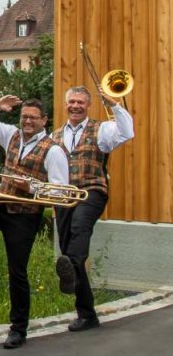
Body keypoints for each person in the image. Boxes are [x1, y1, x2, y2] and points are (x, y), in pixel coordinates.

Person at [0, 95, 70, 349]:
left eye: (33, 118)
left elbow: (61, 192)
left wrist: (31, 187)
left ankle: (18, 329)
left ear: (44, 120)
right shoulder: (11, 135)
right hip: (0, 205)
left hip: (25, 216)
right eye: (24, 116)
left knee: (16, 271)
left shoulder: (53, 150)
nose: (27, 121)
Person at [50, 85, 134, 332]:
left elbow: (127, 132)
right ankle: (87, 315)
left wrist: (114, 105)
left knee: (79, 229)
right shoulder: (54, 136)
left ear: (88, 105)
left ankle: (72, 266)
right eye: (72, 102)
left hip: (92, 191)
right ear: (66, 105)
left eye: (80, 102)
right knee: (68, 250)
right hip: (64, 196)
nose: (75, 106)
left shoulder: (102, 129)